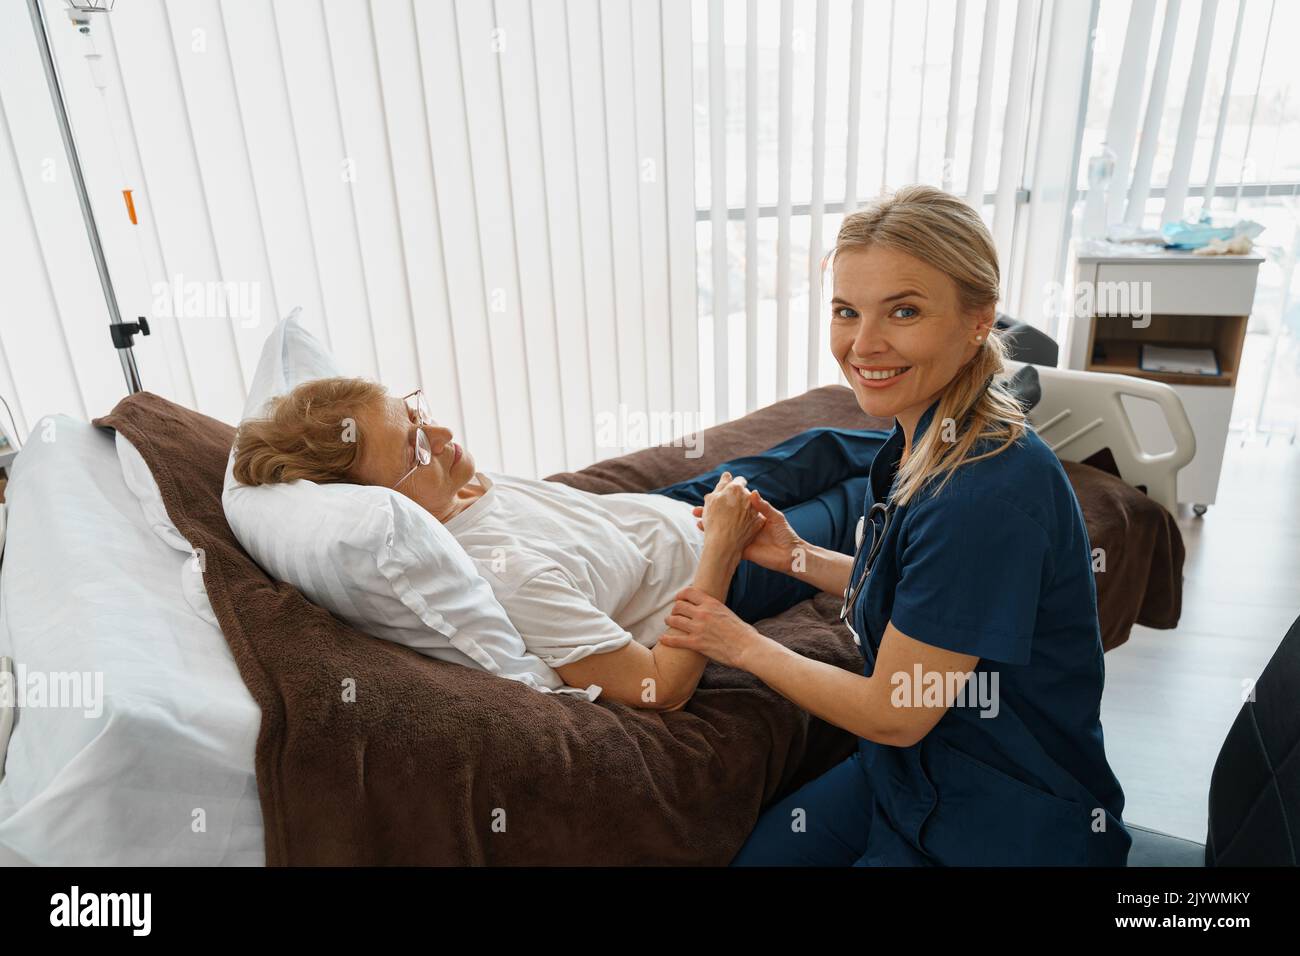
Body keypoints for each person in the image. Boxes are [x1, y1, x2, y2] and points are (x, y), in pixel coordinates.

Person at [660, 185, 1131, 866]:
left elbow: (897, 711)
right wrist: (796, 557)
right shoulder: (919, 440)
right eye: (846, 312)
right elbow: (924, 597)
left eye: (904, 311)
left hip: (1002, 816)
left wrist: (739, 644)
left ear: (978, 321)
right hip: (907, 777)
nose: (864, 344)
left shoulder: (985, 493)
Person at [232, 378, 887, 711]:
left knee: (825, 445)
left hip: (674, 509)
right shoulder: (505, 578)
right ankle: (962, 478)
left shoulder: (453, 487)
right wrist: (722, 545)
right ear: (387, 502)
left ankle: (954, 435)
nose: (439, 433)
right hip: (726, 564)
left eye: (415, 411)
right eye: (415, 448)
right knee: (862, 503)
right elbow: (663, 687)